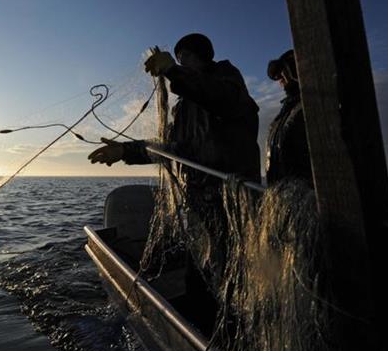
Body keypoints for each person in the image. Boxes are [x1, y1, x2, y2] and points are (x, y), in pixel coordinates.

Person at [88, 33, 260, 331]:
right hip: (198, 202)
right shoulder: (183, 108)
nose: (180, 63)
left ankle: (237, 337)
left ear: (200, 56)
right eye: (177, 60)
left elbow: (220, 98)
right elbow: (174, 150)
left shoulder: (227, 81)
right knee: (199, 279)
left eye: (184, 58)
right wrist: (126, 150)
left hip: (233, 202)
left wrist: (172, 71)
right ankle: (203, 337)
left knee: (234, 277)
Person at [265, 49, 313, 186]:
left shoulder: (315, 105)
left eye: (284, 71)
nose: (280, 79)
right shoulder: (285, 113)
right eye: (278, 76)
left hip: (309, 197)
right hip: (285, 197)